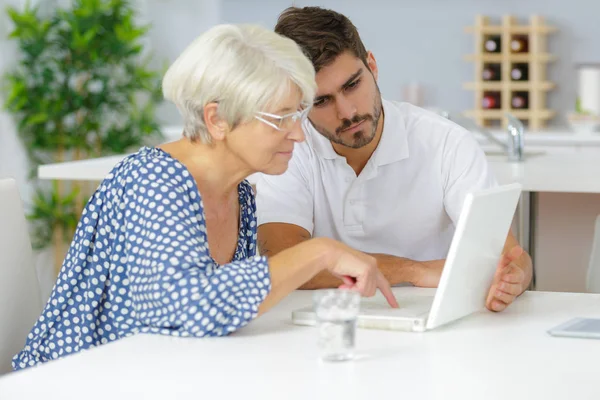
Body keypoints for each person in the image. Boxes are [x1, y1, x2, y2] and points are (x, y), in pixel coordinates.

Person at [13, 24, 398, 371]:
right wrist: (319, 252)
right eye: (280, 117)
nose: (298, 134)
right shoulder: (151, 181)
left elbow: (220, 317)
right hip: (76, 383)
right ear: (217, 119)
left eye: (298, 114)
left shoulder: (239, 193)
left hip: (164, 374)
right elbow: (189, 308)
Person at [256, 6, 533, 312]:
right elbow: (283, 261)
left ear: (372, 66)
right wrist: (413, 270)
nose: (347, 112)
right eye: (322, 101)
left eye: (352, 85)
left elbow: (510, 256)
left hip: (433, 322)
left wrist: (513, 278)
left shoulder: (446, 143)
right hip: (326, 327)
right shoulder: (288, 149)